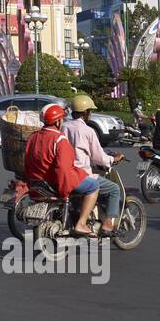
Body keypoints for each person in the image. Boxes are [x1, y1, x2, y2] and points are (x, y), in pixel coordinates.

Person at [24, 103, 99, 237]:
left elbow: (27, 162)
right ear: (58, 121)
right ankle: (81, 223)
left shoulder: (33, 137)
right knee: (93, 186)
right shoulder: (59, 139)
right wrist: (65, 193)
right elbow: (63, 170)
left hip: (38, 181)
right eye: (62, 119)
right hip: (56, 181)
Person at [62, 95, 125, 235]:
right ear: (86, 112)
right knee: (114, 189)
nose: (90, 113)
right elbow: (99, 157)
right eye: (90, 111)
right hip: (81, 173)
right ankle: (108, 225)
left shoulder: (64, 126)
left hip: (64, 171)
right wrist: (113, 159)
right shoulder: (88, 131)